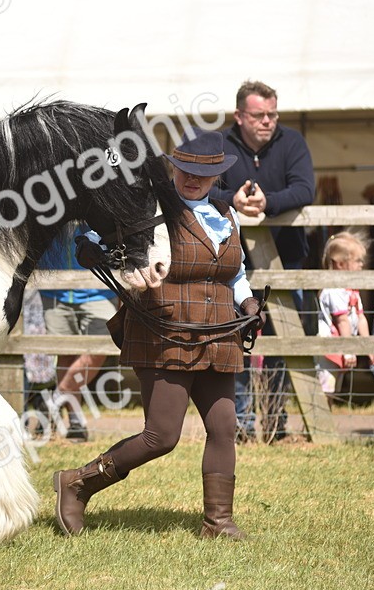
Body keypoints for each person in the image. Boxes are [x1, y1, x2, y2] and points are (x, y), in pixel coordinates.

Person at [54, 130, 264, 540]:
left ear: (217, 175)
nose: (192, 180)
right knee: (161, 436)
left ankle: (218, 522)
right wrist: (88, 245)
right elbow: (93, 237)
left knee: (223, 427)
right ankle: (77, 483)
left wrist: (250, 304)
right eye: (185, 170)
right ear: (173, 166)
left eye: (202, 174)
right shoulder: (148, 209)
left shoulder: (226, 213)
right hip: (163, 332)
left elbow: (236, 274)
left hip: (219, 334)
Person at [209, 80, 316, 443]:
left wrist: (267, 202)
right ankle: (238, 425)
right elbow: (200, 186)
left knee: (282, 342)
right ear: (240, 115)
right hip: (231, 263)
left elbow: (305, 189)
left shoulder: (293, 142)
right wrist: (231, 199)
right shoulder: (220, 144)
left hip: (287, 259)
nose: (267, 121)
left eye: (272, 114)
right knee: (234, 341)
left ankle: (274, 423)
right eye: (259, 115)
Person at [36, 228, 118, 441]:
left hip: (100, 288)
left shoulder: (99, 196)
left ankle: (54, 399)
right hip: (54, 289)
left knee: (101, 347)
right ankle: (75, 422)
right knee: (65, 355)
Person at [314, 232, 374, 397]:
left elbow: (361, 318)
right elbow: (342, 321)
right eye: (357, 260)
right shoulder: (334, 291)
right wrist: (348, 350)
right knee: (325, 391)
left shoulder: (351, 290)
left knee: (333, 391)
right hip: (330, 349)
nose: (361, 264)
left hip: (342, 347)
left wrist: (368, 346)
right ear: (340, 264)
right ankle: (321, 422)